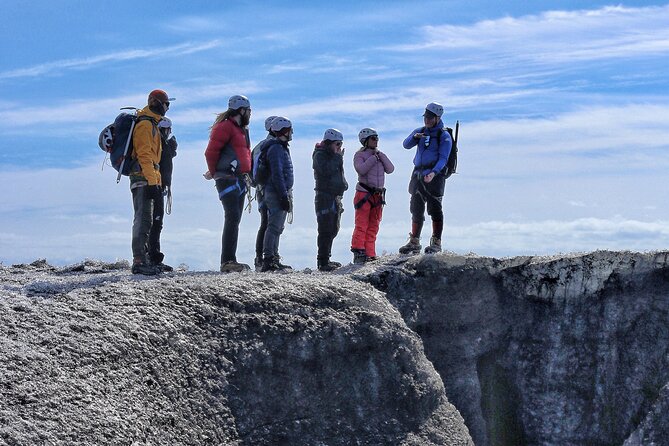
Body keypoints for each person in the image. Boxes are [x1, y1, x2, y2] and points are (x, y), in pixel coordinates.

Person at [204, 95, 253, 273]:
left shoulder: (241, 129)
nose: (250, 114)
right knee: (232, 217)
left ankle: (230, 259)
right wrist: (215, 172)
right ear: (241, 110)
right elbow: (210, 152)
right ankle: (227, 261)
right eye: (249, 110)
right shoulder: (226, 127)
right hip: (228, 179)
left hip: (239, 179)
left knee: (234, 219)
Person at [129, 89, 174, 275]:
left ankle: (147, 258)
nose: (167, 108)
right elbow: (144, 154)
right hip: (142, 177)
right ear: (156, 102)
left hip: (149, 176)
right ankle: (139, 260)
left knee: (149, 220)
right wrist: (151, 180)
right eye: (166, 104)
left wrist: (156, 181)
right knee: (144, 218)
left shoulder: (152, 124)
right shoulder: (146, 125)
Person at [399, 102, 452, 255]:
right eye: (425, 117)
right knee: (416, 207)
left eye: (430, 118)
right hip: (417, 174)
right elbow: (406, 145)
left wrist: (434, 173)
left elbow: (443, 158)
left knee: (435, 208)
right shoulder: (420, 132)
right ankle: (414, 241)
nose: (426, 120)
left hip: (435, 176)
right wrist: (415, 137)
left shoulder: (444, 136)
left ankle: (436, 242)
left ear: (437, 118)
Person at [351, 128, 394, 264]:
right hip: (364, 193)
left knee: (374, 225)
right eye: (373, 138)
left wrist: (381, 156)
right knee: (361, 223)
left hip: (378, 195)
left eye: (377, 138)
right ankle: (359, 250)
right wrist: (373, 158)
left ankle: (370, 252)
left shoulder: (379, 155)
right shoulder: (359, 155)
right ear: (365, 141)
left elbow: (390, 169)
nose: (376, 141)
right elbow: (361, 169)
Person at [261, 117, 294, 272]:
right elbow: (277, 174)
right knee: (274, 226)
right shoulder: (276, 148)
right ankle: (268, 259)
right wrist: (283, 195)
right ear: (284, 131)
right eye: (290, 130)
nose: (292, 132)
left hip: (277, 191)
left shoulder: (279, 147)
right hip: (275, 191)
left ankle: (273, 257)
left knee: (277, 226)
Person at [312, 128, 348, 271]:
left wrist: (343, 185)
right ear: (329, 143)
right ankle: (323, 261)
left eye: (340, 144)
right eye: (337, 144)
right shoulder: (320, 155)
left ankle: (326, 258)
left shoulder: (333, 156)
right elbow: (326, 170)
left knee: (333, 228)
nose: (339, 147)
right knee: (325, 229)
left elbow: (337, 173)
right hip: (324, 196)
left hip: (333, 196)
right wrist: (338, 158)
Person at [146, 116, 178, 272]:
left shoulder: (157, 143)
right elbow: (165, 159)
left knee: (150, 221)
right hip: (155, 184)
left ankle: (149, 255)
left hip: (153, 183)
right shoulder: (162, 144)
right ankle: (153, 256)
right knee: (156, 223)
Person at [251, 116, 277, 270]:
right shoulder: (268, 146)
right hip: (267, 189)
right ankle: (265, 257)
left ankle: (264, 257)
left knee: (267, 222)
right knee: (268, 222)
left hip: (262, 189)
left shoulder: (261, 146)